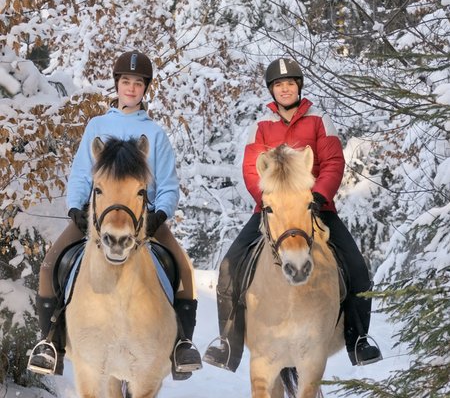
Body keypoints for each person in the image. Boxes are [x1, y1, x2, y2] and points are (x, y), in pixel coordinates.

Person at [28, 50, 202, 380]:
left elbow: (167, 184)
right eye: (126, 82)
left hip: (143, 220)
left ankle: (181, 344)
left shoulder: (155, 134)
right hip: (96, 218)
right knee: (50, 263)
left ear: (145, 88)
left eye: (138, 83)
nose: (131, 89)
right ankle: (51, 343)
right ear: (117, 85)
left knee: (183, 270)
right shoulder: (98, 126)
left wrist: (159, 215)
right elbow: (81, 173)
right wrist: (76, 209)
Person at [203, 57, 383, 371]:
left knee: (357, 269)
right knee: (230, 267)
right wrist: (270, 199)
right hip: (272, 214)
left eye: (290, 83)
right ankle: (228, 343)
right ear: (272, 90)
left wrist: (317, 195)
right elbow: (250, 169)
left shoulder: (318, 120)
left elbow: (332, 163)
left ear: (298, 87)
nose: (285, 89)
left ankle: (358, 340)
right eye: (278, 85)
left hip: (316, 209)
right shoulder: (260, 126)